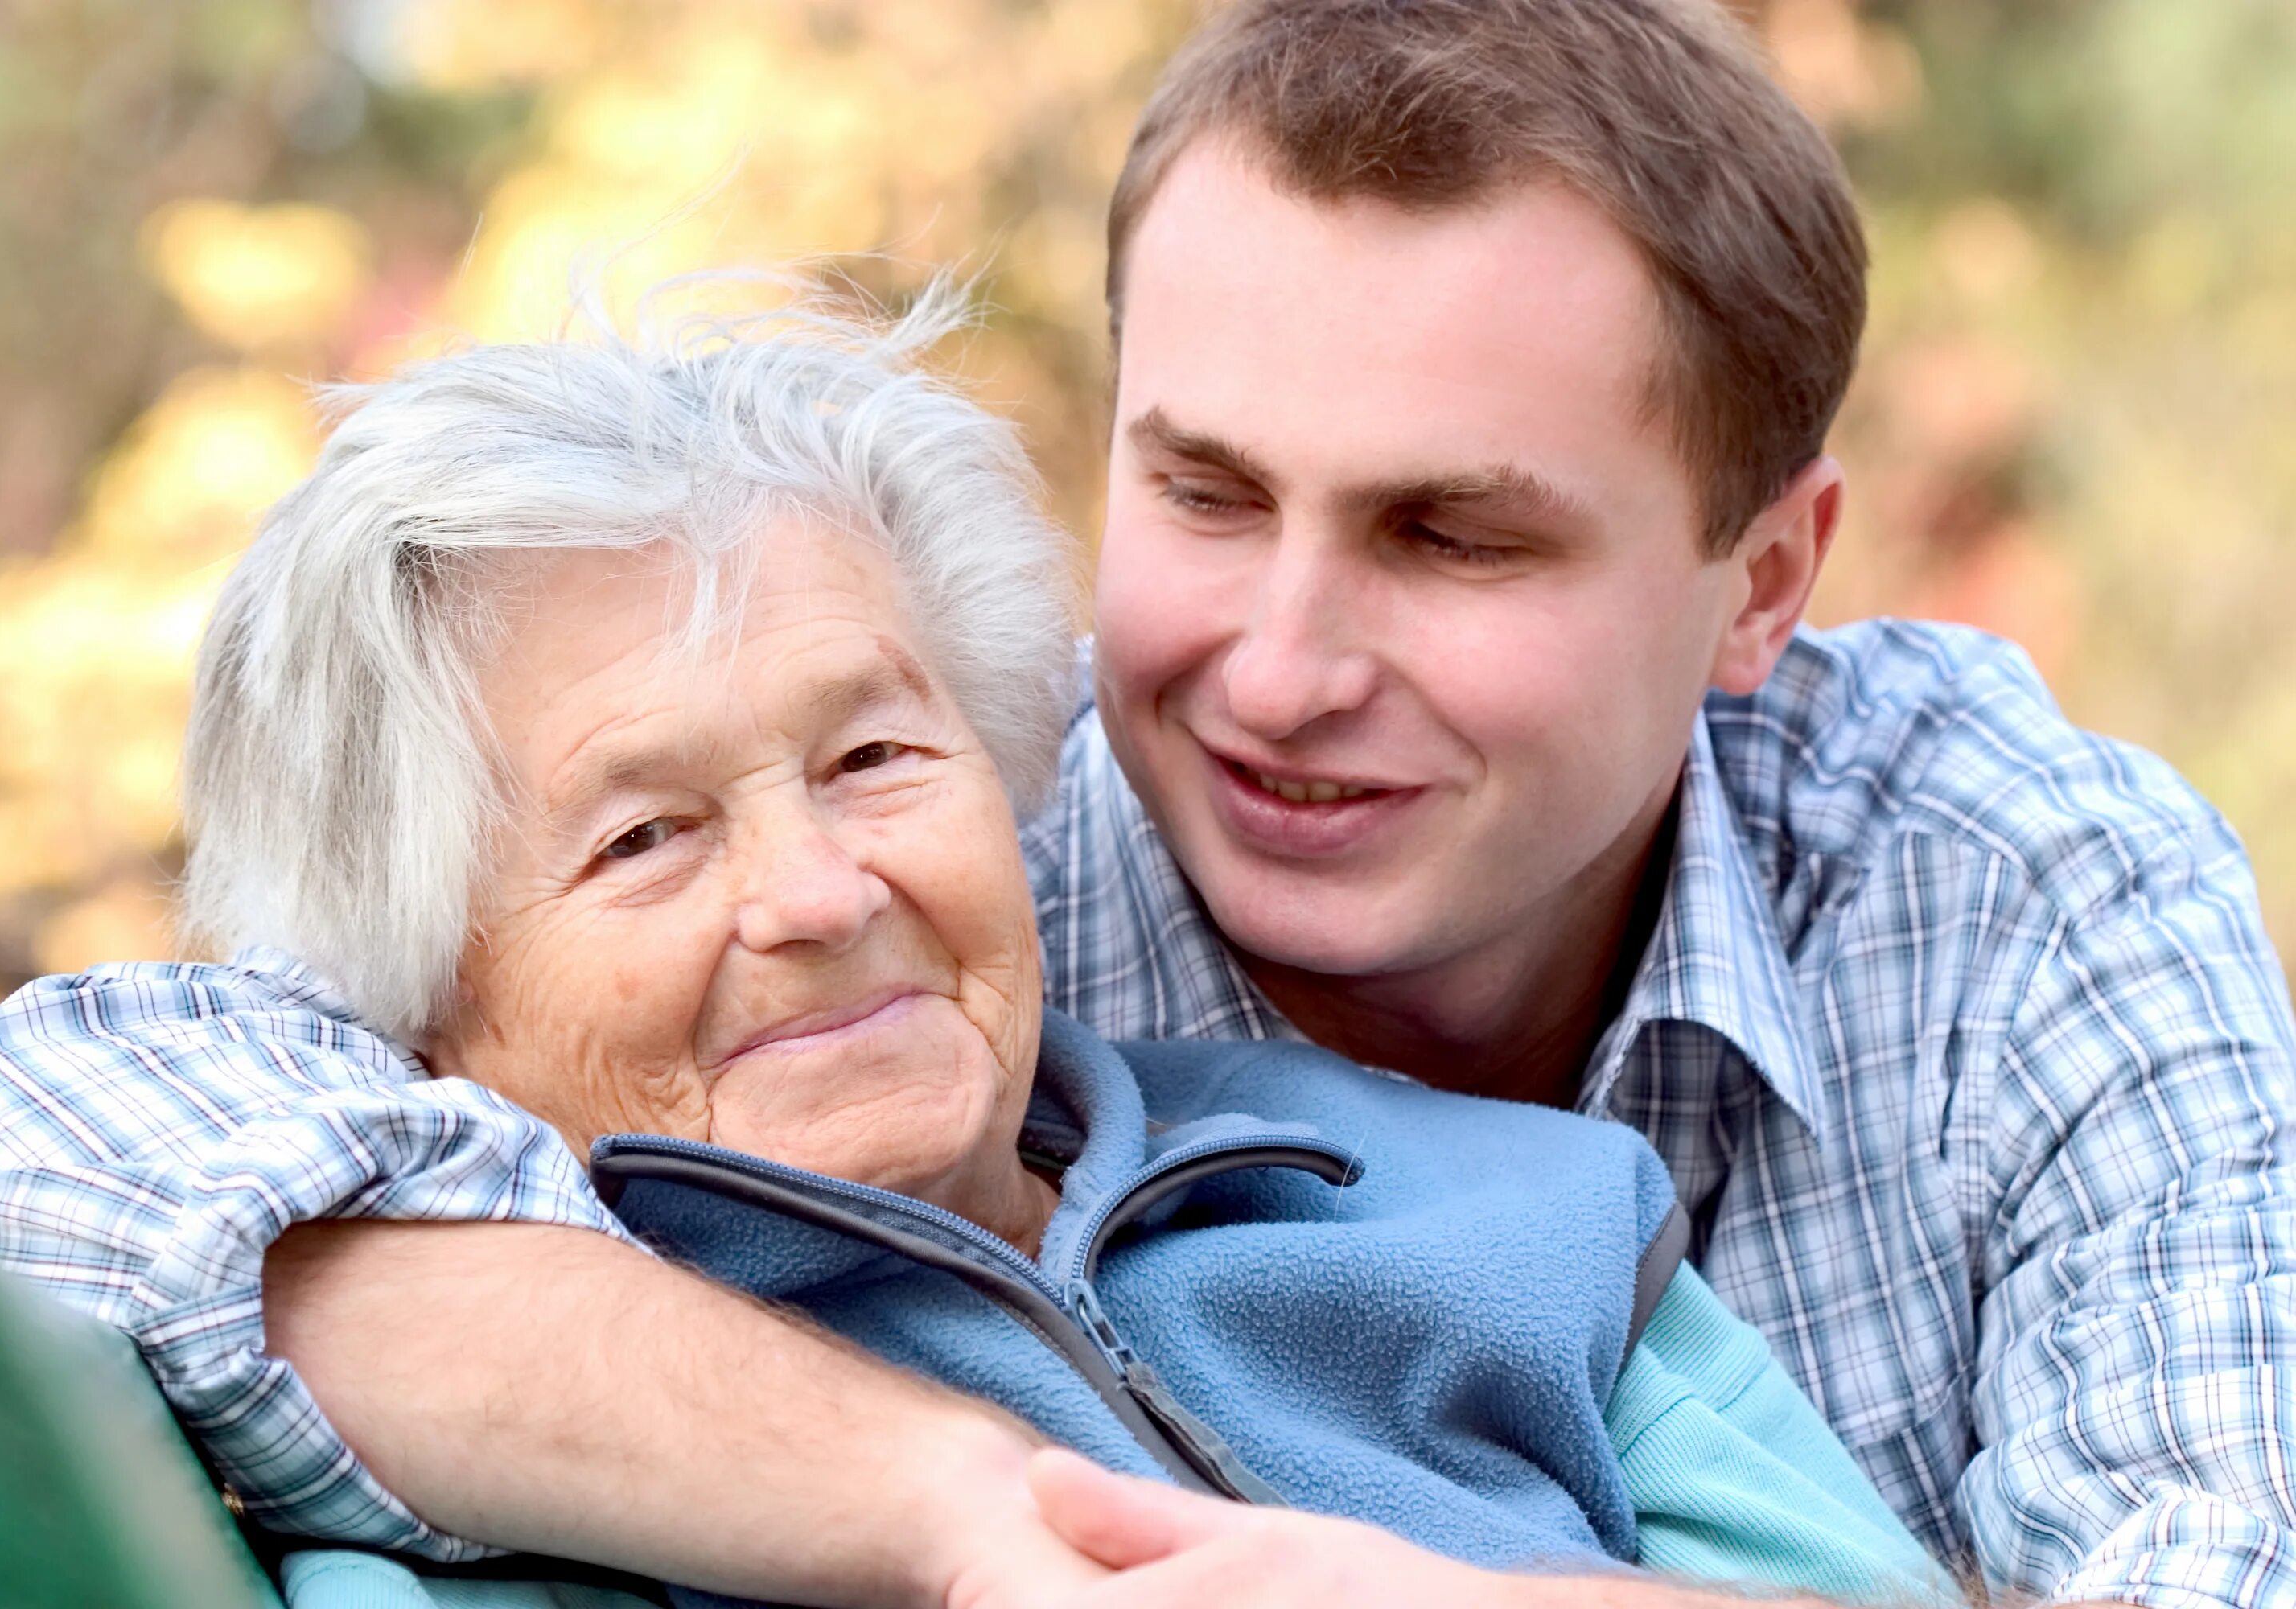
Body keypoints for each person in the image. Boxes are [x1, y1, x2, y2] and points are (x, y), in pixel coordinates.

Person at [0, 0, 2294, 1604]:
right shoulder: (952, 832)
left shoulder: (1999, 908)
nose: (1275, 668)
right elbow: (47, 1161)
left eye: (1453, 535)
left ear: (1761, 580)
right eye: (1208, 492)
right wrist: (966, 1515)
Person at [125, 305, 1945, 1609]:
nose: (819, 891)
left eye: (874, 758)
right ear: (428, 1011)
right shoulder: (500, 1494)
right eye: (644, 837)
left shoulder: (1492, 1198)